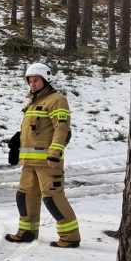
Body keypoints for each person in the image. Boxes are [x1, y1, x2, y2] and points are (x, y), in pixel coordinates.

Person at [5, 63, 81, 248]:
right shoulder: (33, 103)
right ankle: (27, 232)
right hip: (30, 162)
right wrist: (17, 146)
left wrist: (55, 154)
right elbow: (34, 131)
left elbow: (61, 129)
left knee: (53, 199)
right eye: (30, 80)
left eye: (36, 80)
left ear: (46, 80)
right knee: (24, 197)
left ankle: (70, 237)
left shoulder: (57, 100)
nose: (33, 83)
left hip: (49, 162)